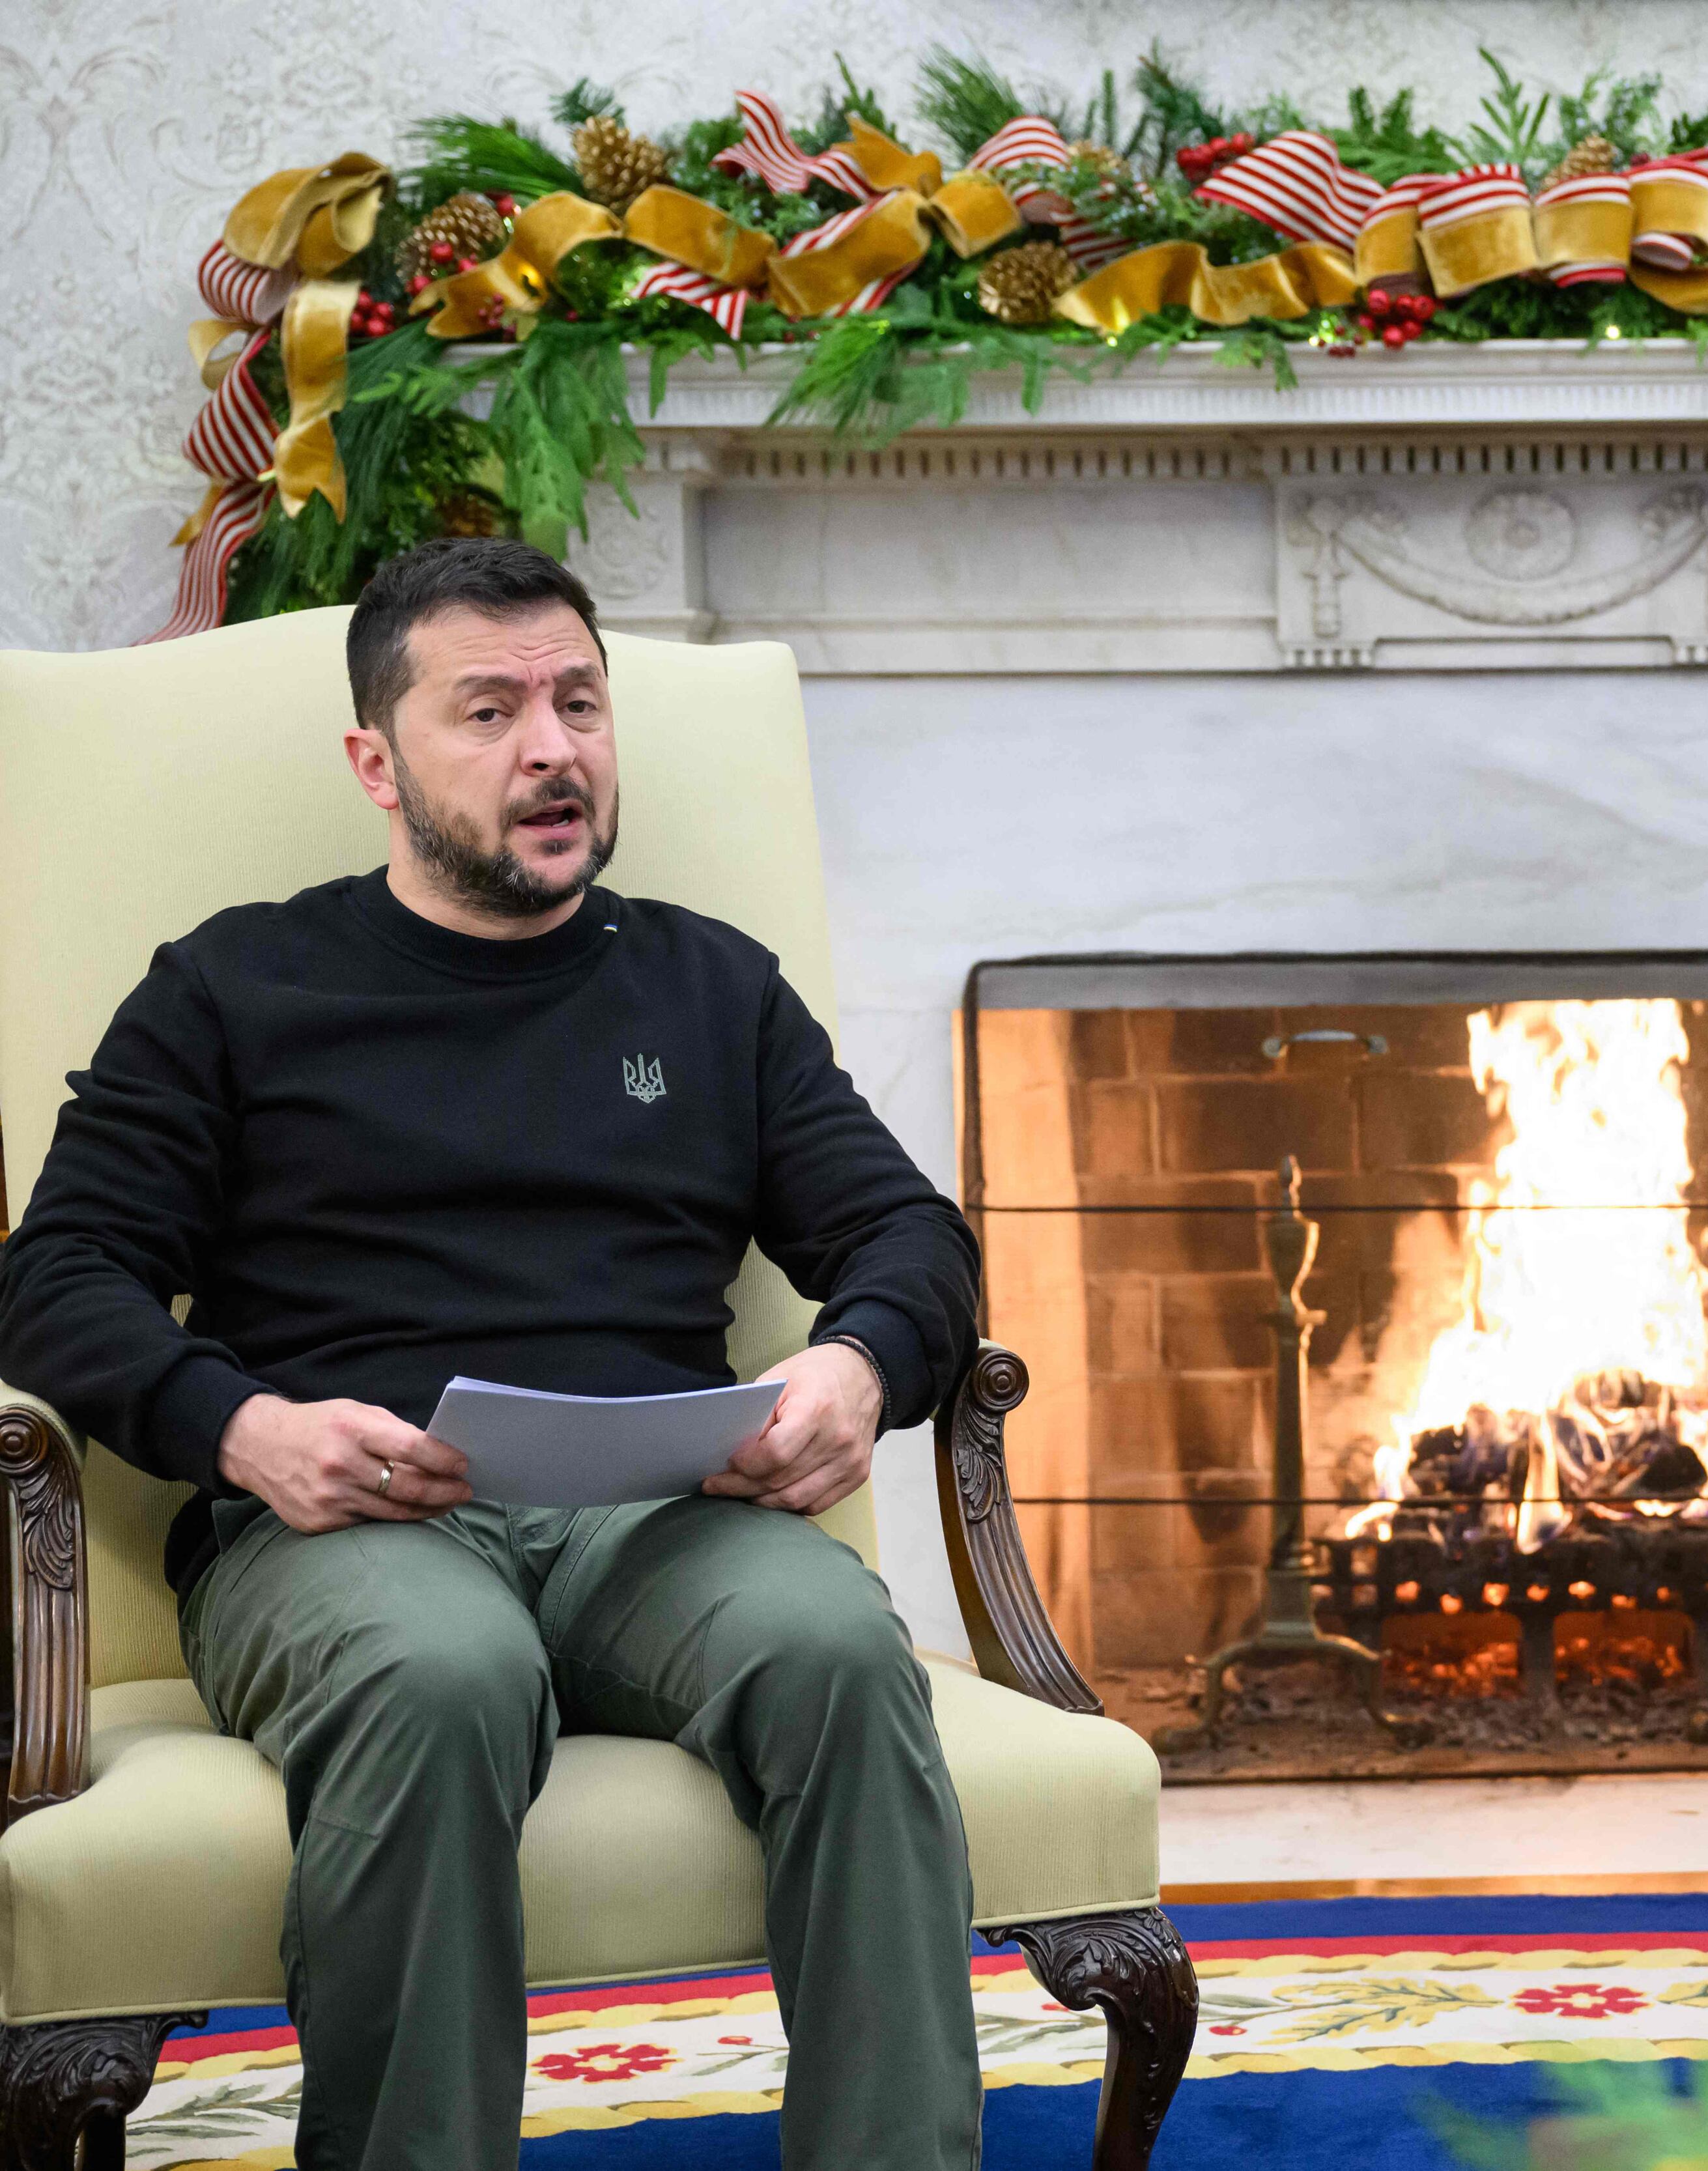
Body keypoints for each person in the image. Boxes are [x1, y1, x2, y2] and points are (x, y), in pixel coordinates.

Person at [0, 539, 988, 2171]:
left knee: (835, 1642)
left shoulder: (712, 987)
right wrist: (244, 1427)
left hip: (657, 1519)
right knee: (443, 1669)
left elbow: (910, 1234)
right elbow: (58, 1273)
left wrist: (862, 1367)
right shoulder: (232, 984)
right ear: (375, 762)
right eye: (490, 710)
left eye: (579, 702)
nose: (552, 747)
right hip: (344, 1522)